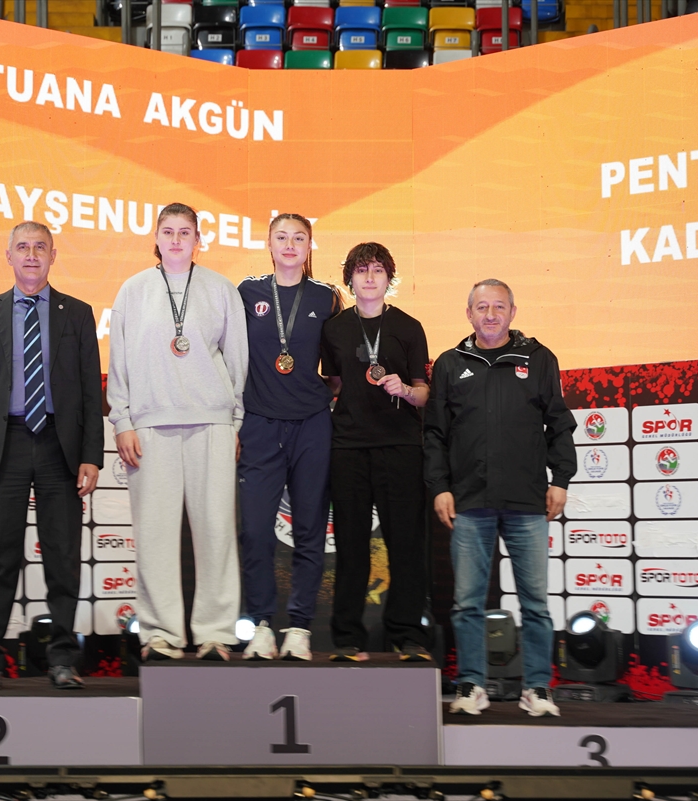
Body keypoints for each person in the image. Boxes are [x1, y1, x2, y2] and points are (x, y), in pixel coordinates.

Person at [424, 279, 577, 716]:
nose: (490, 315)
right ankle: (472, 685)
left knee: (535, 605)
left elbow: (558, 423)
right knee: (467, 604)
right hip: (469, 500)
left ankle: (537, 688)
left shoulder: (539, 358)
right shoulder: (450, 364)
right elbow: (434, 433)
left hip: (527, 500)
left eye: (498, 307)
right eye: (482, 307)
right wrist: (440, 487)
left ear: (512, 312)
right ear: (468, 314)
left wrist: (561, 479)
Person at [0, 221, 104, 691]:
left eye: (40, 247)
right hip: (5, 445)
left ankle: (62, 659)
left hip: (60, 447)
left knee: (62, 558)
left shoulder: (77, 313)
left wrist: (91, 455)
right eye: (22, 247)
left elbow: (90, 390)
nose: (31, 255)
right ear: (8, 256)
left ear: (53, 256)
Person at [107, 203, 249, 662]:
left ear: (198, 240)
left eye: (184, 232)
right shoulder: (133, 290)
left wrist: (235, 421)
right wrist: (122, 420)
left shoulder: (221, 289)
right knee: (155, 535)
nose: (175, 240)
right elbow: (119, 362)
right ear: (156, 237)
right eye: (167, 231)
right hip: (150, 425)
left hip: (212, 422)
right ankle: (160, 633)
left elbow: (238, 361)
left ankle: (216, 632)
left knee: (216, 531)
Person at [320, 243, 434, 663]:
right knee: (350, 545)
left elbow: (424, 392)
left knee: (405, 544)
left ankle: (407, 636)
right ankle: (348, 638)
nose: (369, 278)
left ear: (389, 278)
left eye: (378, 270)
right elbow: (333, 383)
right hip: (348, 447)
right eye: (362, 270)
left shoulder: (409, 327)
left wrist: (405, 389)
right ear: (349, 278)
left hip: (400, 445)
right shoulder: (334, 329)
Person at [237, 214, 341, 661]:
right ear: (269, 244)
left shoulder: (325, 296)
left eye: (299, 237)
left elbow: (336, 368)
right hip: (260, 423)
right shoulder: (247, 292)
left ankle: (299, 627)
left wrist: (324, 398)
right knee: (255, 530)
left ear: (310, 245)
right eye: (281, 237)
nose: (290, 244)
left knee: (310, 528)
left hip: (311, 424)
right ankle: (261, 624)